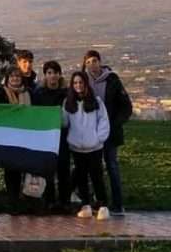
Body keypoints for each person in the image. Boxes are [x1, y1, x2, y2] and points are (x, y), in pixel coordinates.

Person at [83, 49, 132, 216]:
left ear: (100, 62)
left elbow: (126, 106)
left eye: (94, 61)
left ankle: (118, 204)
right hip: (90, 133)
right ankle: (95, 203)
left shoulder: (112, 79)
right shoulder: (82, 80)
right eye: (88, 62)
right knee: (93, 169)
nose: (92, 65)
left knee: (112, 166)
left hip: (110, 132)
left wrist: (114, 124)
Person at [62, 71, 111, 220]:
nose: (78, 85)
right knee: (81, 177)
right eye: (75, 83)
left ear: (85, 84)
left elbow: (103, 120)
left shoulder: (96, 101)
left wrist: (99, 138)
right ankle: (86, 205)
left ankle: (103, 205)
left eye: (81, 82)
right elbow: (65, 122)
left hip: (94, 146)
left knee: (97, 176)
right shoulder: (68, 102)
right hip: (77, 147)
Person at [0, 67, 32, 213]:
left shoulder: (29, 93)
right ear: (7, 78)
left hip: (25, 136)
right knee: (10, 170)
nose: (15, 79)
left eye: (18, 76)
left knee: (24, 169)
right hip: (6, 137)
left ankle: (26, 200)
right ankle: (12, 202)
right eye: (12, 76)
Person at [33, 60, 70, 212]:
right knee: (48, 169)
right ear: (45, 75)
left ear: (59, 74)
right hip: (46, 137)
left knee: (63, 169)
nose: (53, 76)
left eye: (55, 72)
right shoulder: (38, 94)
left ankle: (65, 202)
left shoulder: (67, 93)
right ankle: (49, 201)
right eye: (49, 73)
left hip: (62, 136)